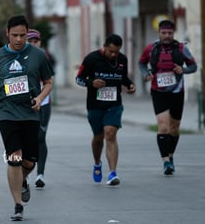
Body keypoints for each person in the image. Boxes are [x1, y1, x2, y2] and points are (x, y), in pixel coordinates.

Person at [0, 15, 54, 221]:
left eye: (23, 35)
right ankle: (17, 205)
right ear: (7, 34)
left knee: (30, 161)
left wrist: (40, 98)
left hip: (30, 112)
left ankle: (22, 181)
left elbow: (49, 81)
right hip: (6, 111)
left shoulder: (38, 55)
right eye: (15, 35)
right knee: (14, 157)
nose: (19, 39)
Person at [76, 34, 136, 186]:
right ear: (104, 47)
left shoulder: (122, 60)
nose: (114, 55)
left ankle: (112, 173)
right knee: (98, 137)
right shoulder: (91, 58)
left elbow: (123, 78)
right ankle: (97, 163)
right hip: (95, 105)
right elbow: (79, 79)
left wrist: (130, 85)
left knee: (110, 134)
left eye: (116, 51)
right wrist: (92, 83)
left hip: (114, 104)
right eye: (111, 51)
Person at [138, 19, 197, 175]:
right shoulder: (150, 49)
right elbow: (141, 63)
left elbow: (193, 66)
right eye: (163, 33)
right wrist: (146, 73)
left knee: (174, 128)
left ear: (173, 33)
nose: (166, 36)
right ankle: (165, 162)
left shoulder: (182, 48)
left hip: (177, 91)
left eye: (169, 33)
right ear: (159, 33)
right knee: (163, 126)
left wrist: (182, 70)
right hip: (158, 91)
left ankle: (170, 156)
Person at [26, 29, 55, 189]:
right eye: (29, 41)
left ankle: (40, 174)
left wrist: (41, 97)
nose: (33, 44)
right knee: (27, 138)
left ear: (40, 42)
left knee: (40, 136)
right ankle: (26, 173)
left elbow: (50, 80)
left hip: (43, 102)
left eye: (35, 41)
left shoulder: (45, 57)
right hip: (24, 104)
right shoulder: (19, 57)